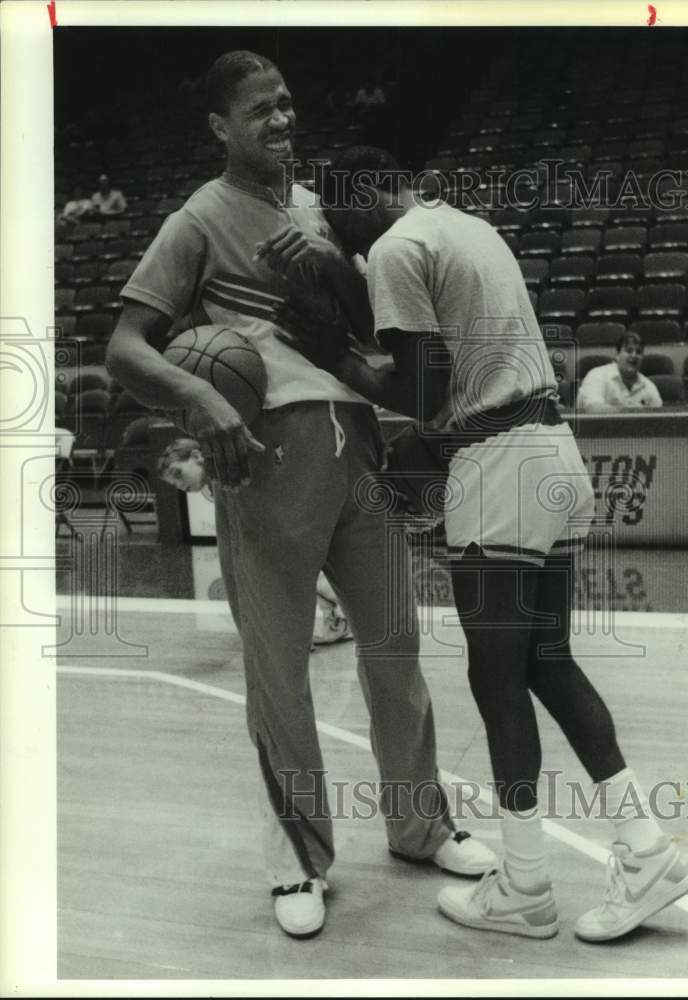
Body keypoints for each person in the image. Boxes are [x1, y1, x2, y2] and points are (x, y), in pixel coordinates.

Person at [106, 52, 494, 941]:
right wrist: (200, 400)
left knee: (395, 647)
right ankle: (297, 857)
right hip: (267, 462)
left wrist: (331, 262)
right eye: (258, 111)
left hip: (357, 446)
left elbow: (366, 329)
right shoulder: (195, 220)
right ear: (219, 128)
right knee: (281, 675)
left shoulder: (322, 207)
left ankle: (418, 824)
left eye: (285, 106)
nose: (280, 122)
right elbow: (129, 346)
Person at [270, 146, 688, 942]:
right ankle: (646, 851)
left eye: (338, 219)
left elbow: (427, 394)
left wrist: (334, 354)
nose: (344, 238)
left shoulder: (397, 248)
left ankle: (528, 886)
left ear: (363, 198)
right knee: (548, 662)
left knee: (497, 681)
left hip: (496, 460)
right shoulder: (466, 226)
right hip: (553, 454)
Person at [157, 437, 354, 648]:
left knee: (307, 574)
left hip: (292, 524)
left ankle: (347, 617)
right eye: (173, 483)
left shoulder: (235, 466)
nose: (179, 485)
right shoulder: (214, 485)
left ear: (197, 456)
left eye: (178, 474)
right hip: (269, 534)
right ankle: (318, 624)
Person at [576, 333, 663, 412]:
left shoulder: (648, 386)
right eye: (629, 351)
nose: (634, 355)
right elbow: (592, 408)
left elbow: (660, 417)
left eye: (639, 352)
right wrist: (628, 414)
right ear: (617, 355)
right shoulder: (597, 375)